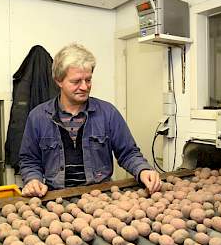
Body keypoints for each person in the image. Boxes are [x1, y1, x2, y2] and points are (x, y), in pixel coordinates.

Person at [19, 43, 162, 197]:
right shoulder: (38, 117)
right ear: (59, 81)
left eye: (88, 80)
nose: (84, 87)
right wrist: (33, 179)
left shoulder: (108, 113)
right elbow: (29, 159)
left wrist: (143, 169)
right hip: (56, 197)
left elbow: (128, 152)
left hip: (101, 195)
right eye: (76, 81)